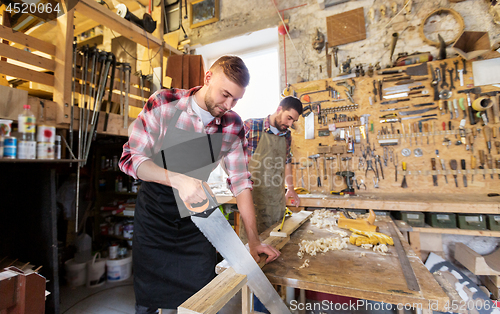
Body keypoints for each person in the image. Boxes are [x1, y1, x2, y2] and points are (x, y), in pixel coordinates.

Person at [119, 55, 280, 314]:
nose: (229, 104)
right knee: (149, 300)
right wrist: (178, 179)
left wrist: (253, 241)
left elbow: (240, 182)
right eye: (225, 94)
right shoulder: (164, 102)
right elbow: (130, 159)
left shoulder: (233, 125)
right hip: (155, 218)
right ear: (208, 78)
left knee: (203, 298)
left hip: (196, 221)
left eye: (236, 99)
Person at [242, 96, 303, 239]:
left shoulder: (287, 135)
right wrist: (237, 183)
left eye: (293, 120)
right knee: (251, 247)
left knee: (276, 243)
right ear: (279, 109)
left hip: (276, 200)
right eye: (288, 118)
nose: (290, 123)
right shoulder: (251, 126)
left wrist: (291, 189)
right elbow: (228, 153)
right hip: (252, 199)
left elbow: (287, 161)